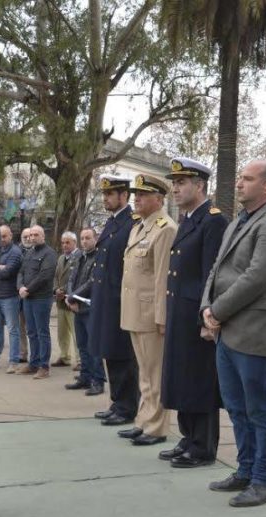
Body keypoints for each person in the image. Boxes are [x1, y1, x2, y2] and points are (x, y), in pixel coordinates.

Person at [202, 160, 266, 507]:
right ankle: (245, 470)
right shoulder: (239, 220)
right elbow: (217, 268)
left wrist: (217, 310)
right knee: (237, 407)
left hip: (256, 332)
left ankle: (265, 478)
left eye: (248, 179)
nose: (239, 183)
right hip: (227, 331)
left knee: (261, 409)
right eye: (239, 177)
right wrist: (205, 308)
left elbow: (256, 277)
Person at [159, 158, 227, 467]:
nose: (175, 188)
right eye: (174, 182)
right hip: (180, 311)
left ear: (199, 186)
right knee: (182, 377)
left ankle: (203, 446)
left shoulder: (212, 220)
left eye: (181, 182)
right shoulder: (189, 219)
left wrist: (206, 317)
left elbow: (211, 274)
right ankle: (188, 437)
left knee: (199, 379)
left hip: (196, 315)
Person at [117, 174, 177, 446]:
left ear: (158, 198)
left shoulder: (165, 228)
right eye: (135, 194)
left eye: (142, 194)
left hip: (151, 314)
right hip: (134, 312)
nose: (136, 199)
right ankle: (143, 420)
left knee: (155, 372)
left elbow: (163, 278)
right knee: (144, 371)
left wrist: (162, 317)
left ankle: (156, 427)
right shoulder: (138, 227)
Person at [89, 175, 140, 426]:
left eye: (110, 194)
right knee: (111, 353)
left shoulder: (132, 223)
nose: (105, 199)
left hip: (121, 300)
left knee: (124, 356)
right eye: (104, 194)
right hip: (105, 299)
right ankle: (117, 401)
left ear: (124, 196)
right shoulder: (111, 224)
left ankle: (127, 406)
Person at [64, 228, 104, 395]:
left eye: (88, 238)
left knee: (93, 345)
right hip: (77, 307)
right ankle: (85, 377)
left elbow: (91, 282)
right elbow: (72, 278)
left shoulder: (99, 256)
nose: (84, 241)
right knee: (82, 344)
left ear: (95, 239)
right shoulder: (79, 256)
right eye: (82, 238)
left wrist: (73, 297)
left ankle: (98, 381)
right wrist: (70, 297)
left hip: (90, 307)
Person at [18, 225, 57, 379]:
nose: (32, 237)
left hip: (41, 298)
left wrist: (27, 289)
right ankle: (33, 363)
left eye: (36, 235)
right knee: (31, 332)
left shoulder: (50, 254)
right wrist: (20, 286)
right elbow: (21, 272)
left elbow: (45, 276)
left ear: (43, 236)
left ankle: (44, 366)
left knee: (42, 332)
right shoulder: (29, 253)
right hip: (28, 299)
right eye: (30, 235)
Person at [0, 225, 23, 373]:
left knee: (13, 330)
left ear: (11, 236)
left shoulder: (16, 252)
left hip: (10, 297)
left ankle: (14, 361)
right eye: (0, 236)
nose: (2, 239)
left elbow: (8, 273)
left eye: (4, 236)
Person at [52, 231, 78, 368]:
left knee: (76, 332)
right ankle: (64, 357)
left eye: (68, 242)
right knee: (62, 332)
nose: (65, 245)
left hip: (72, 300)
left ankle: (80, 361)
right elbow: (56, 276)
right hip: (60, 301)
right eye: (63, 242)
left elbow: (77, 278)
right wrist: (56, 289)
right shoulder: (61, 258)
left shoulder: (79, 257)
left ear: (75, 242)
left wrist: (65, 291)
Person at [17, 227, 32, 363]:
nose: (28, 239)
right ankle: (23, 353)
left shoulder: (37, 251)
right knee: (20, 326)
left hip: (33, 294)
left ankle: (35, 356)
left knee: (33, 328)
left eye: (29, 236)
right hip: (18, 294)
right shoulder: (17, 251)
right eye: (25, 236)